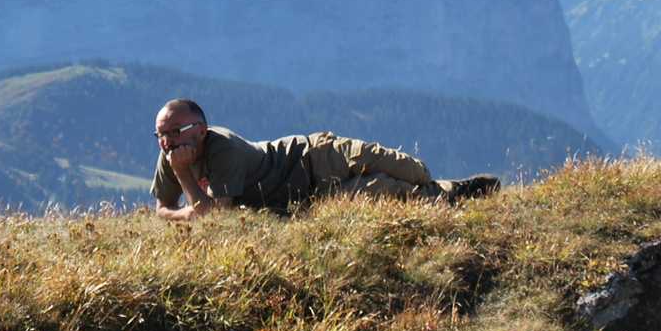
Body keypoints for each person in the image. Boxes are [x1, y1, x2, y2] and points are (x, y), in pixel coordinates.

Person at [151, 98, 500, 220]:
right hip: (308, 196)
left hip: (315, 155)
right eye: (161, 135)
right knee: (389, 192)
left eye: (176, 131)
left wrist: (188, 206)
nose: (168, 141)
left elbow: (209, 215)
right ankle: (460, 194)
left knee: (413, 170)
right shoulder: (172, 158)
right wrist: (182, 176)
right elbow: (168, 210)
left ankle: (446, 187)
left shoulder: (220, 147)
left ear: (201, 129)